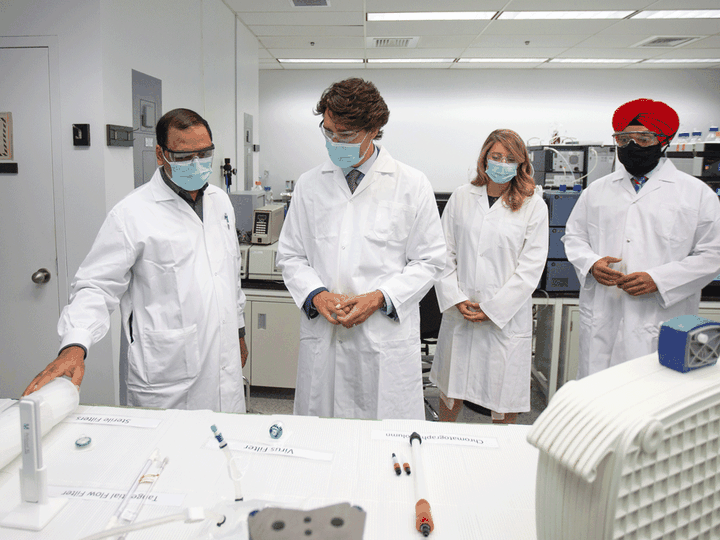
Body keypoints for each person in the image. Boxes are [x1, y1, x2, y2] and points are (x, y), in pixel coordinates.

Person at [23, 108, 248, 412]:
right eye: (183, 157)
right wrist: (75, 345)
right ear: (160, 154)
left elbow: (228, 275)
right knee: (165, 454)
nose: (197, 164)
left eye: (204, 153)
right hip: (168, 372)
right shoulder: (131, 214)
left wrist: (239, 331)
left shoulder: (219, 201)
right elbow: (97, 286)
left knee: (223, 448)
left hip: (223, 358)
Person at [276, 78, 446, 420]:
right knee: (320, 445)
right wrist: (316, 295)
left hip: (382, 339)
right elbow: (291, 255)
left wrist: (378, 298)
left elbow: (430, 260)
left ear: (374, 129)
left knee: (384, 451)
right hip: (325, 333)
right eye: (328, 132)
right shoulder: (310, 184)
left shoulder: (411, 185)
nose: (335, 142)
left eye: (347, 135)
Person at [563, 98, 720, 378]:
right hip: (603, 314)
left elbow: (712, 255)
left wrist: (659, 279)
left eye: (643, 138)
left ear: (664, 141)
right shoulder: (597, 191)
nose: (631, 146)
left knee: (653, 402)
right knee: (598, 401)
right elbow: (574, 237)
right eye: (623, 139)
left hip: (661, 317)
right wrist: (591, 263)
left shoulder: (696, 194)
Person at [430, 129, 548, 424]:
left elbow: (531, 267)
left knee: (503, 394)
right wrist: (455, 298)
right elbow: (444, 253)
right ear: (484, 158)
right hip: (463, 309)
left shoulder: (533, 204)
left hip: (503, 318)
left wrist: (494, 309)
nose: (501, 163)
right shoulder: (461, 197)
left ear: (521, 164)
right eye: (496, 156)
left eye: (510, 158)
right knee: (451, 388)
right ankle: (442, 443)